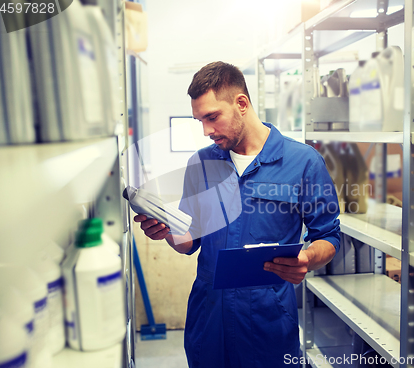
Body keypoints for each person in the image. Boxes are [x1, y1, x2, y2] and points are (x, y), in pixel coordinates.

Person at [134, 61, 340, 368]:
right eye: (199, 120)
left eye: (212, 117)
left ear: (241, 103)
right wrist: (167, 232)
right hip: (209, 317)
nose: (206, 131)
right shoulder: (201, 163)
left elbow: (328, 236)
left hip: (267, 319)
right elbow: (191, 240)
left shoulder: (303, 162)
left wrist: (307, 259)